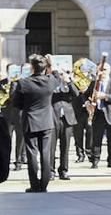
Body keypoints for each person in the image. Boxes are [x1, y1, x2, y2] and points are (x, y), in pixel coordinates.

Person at [11, 54, 56, 192]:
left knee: (32, 154)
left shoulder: (23, 83)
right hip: (47, 121)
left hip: (30, 120)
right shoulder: (50, 81)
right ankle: (44, 184)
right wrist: (51, 64)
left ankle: (35, 185)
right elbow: (56, 74)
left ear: (31, 67)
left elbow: (16, 103)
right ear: (45, 68)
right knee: (46, 153)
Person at [50, 65, 80, 181]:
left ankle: (63, 170)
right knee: (51, 147)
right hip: (54, 117)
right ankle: (51, 171)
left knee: (65, 146)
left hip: (67, 118)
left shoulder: (69, 84)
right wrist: (57, 77)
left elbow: (76, 94)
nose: (63, 76)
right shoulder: (53, 83)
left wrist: (69, 81)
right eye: (61, 74)